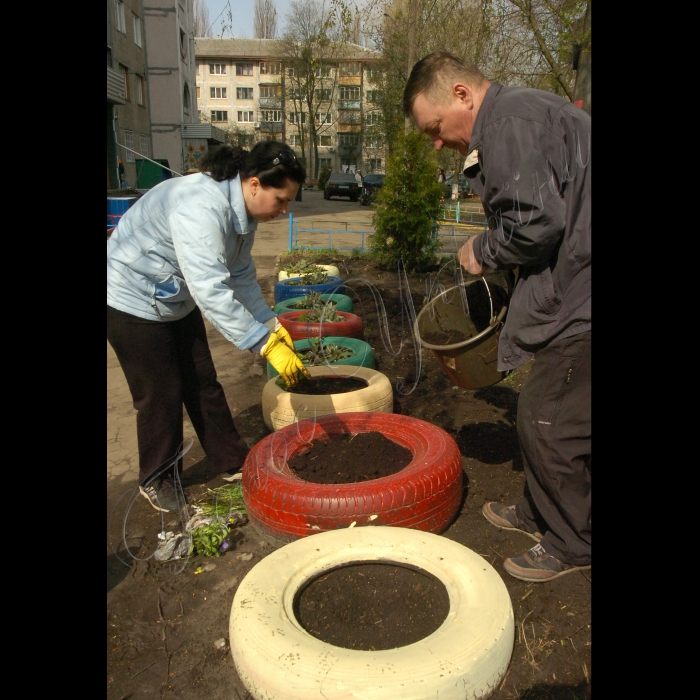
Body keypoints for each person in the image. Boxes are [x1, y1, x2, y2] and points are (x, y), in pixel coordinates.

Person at [404, 51, 590, 583]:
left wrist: (481, 250)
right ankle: (539, 512)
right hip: (575, 282)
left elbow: (535, 224)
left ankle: (574, 542)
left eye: (435, 128)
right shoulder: (520, 117)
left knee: (549, 421)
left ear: (462, 94)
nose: (436, 143)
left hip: (585, 294)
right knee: (544, 416)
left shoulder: (509, 124)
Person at [107, 141, 311, 513]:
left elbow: (241, 276)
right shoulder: (200, 206)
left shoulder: (243, 215)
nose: (283, 211)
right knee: (161, 392)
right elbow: (210, 289)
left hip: (172, 296)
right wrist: (261, 343)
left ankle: (230, 459)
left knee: (202, 379)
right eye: (281, 200)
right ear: (253, 184)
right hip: (129, 297)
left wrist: (270, 325)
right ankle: (157, 479)